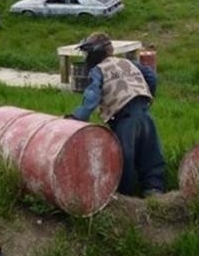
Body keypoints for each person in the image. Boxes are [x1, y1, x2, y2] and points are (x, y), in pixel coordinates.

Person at [67, 32, 166, 197]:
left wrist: (78, 118)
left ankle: (125, 197)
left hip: (124, 118)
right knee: (151, 154)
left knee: (123, 158)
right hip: (144, 113)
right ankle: (154, 191)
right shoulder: (127, 62)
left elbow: (92, 97)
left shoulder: (98, 70)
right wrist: (146, 96)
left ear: (93, 54)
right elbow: (151, 76)